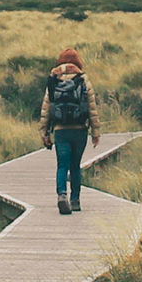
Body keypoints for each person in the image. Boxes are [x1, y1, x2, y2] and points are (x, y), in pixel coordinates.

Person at [39, 48, 97, 215]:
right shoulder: (83, 79)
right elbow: (92, 107)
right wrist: (96, 132)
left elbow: (46, 108)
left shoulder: (54, 80)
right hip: (79, 130)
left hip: (60, 130)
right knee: (75, 166)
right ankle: (75, 200)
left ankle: (61, 195)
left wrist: (44, 132)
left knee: (62, 165)